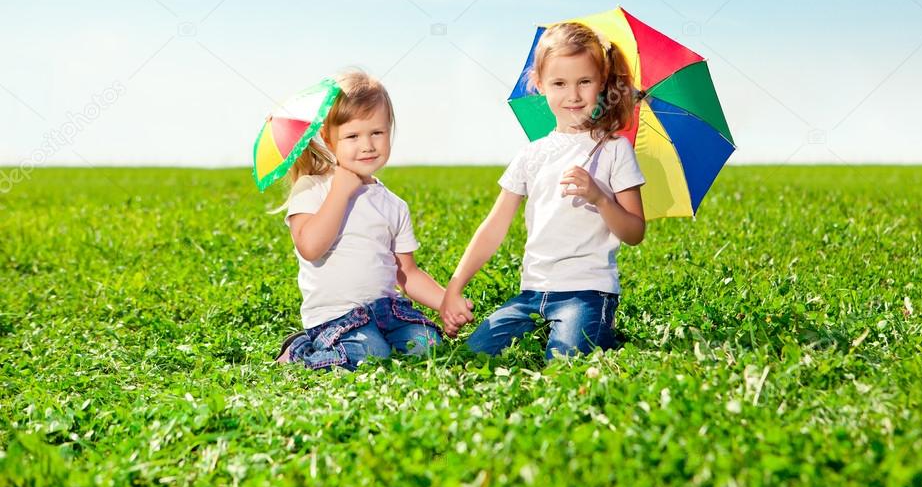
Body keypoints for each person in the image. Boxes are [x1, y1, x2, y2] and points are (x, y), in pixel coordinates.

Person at [440, 22, 646, 360]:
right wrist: (455, 286)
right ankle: (587, 330)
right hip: (533, 292)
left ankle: (599, 328)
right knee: (473, 354)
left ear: (603, 83)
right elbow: (493, 228)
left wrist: (599, 197)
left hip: (588, 291)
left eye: (585, 82)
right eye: (559, 83)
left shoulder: (614, 150)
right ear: (539, 85)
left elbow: (635, 231)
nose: (573, 95)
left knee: (565, 361)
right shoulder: (532, 154)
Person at [275, 70, 444, 370]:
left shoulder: (393, 204)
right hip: (336, 317)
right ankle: (300, 348)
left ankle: (375, 342)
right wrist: (340, 193)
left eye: (377, 133)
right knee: (369, 357)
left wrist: (446, 302)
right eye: (352, 136)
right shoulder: (313, 188)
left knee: (427, 345)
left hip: (388, 312)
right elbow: (310, 247)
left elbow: (408, 273)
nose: (367, 145)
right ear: (328, 138)